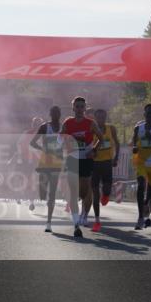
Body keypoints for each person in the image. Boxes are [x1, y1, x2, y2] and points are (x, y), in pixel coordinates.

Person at [62, 96, 102, 238]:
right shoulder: (68, 123)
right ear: (73, 108)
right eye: (77, 106)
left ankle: (84, 213)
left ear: (85, 108)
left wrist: (94, 150)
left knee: (85, 191)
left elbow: (101, 138)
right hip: (73, 158)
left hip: (86, 157)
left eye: (81, 107)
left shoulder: (90, 123)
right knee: (73, 191)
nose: (79, 109)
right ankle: (76, 224)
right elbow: (60, 139)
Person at [30, 106, 65, 233]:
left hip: (57, 163)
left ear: (60, 114)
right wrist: (42, 149)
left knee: (52, 194)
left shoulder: (63, 128)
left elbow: (68, 143)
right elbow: (32, 142)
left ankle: (49, 222)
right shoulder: (44, 127)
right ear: (50, 114)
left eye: (57, 113)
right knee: (43, 194)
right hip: (44, 162)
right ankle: (43, 197)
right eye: (53, 113)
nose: (56, 115)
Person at [90, 108, 119, 232]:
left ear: (106, 118)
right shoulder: (91, 130)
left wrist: (116, 158)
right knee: (95, 194)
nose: (101, 120)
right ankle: (97, 221)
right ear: (95, 118)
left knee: (106, 189)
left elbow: (117, 143)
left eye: (103, 117)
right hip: (95, 164)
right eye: (98, 117)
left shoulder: (111, 128)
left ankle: (106, 195)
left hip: (107, 163)